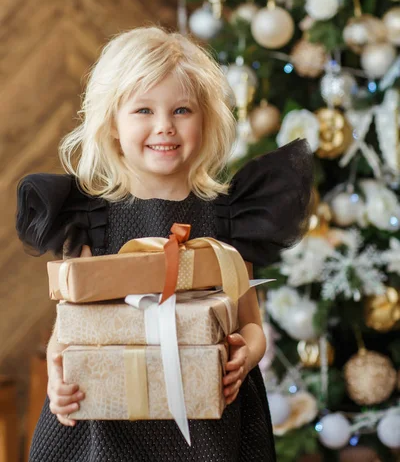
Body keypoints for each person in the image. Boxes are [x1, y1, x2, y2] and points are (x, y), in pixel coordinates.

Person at [16, 26, 313, 462]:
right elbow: (67, 331)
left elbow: (251, 323)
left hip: (210, 423)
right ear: (112, 124)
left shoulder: (229, 217)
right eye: (142, 111)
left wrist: (246, 355)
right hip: (106, 422)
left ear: (205, 118)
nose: (164, 127)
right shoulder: (91, 219)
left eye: (181, 110)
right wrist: (58, 380)